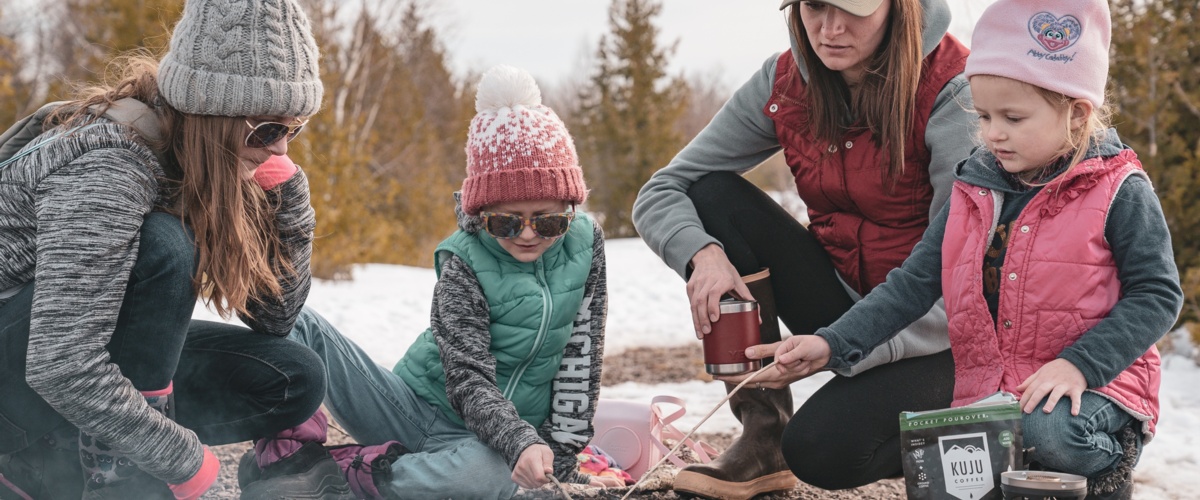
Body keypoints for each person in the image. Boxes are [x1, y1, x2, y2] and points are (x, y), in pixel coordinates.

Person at [774, 0, 1183, 498]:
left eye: (1012, 117)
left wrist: (1080, 364)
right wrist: (833, 343)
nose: (993, 134)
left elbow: (1157, 294)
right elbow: (915, 282)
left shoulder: (1119, 189)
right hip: (996, 387)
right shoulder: (975, 187)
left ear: (1076, 113)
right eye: (984, 115)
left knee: (1046, 430)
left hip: (1095, 383)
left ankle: (1108, 472)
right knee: (958, 465)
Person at [0, 0, 347, 498]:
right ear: (212, 115)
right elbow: (61, 363)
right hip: (30, 368)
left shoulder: (206, 158)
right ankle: (104, 477)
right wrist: (181, 461)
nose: (281, 148)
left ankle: (57, 459)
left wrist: (289, 198)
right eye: (269, 130)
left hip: (65, 355)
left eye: (293, 128)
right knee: (165, 245)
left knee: (293, 377)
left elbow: (275, 318)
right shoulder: (110, 164)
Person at [631, 0, 977, 497]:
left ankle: (986, 432)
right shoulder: (785, 82)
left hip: (936, 332)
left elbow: (953, 268)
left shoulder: (954, 89)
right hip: (843, 304)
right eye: (815, 6)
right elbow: (663, 190)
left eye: (852, 10)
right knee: (712, 195)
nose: (830, 28)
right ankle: (761, 441)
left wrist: (845, 344)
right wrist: (702, 255)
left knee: (821, 450)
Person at [240, 65, 616, 500]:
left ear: (570, 208)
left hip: (485, 448)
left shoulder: (587, 246)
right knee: (298, 319)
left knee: (489, 475)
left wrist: (560, 463)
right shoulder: (463, 257)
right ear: (480, 213)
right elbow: (467, 377)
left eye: (549, 220)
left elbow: (581, 358)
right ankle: (293, 463)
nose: (529, 233)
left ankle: (343, 477)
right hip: (412, 409)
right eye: (505, 221)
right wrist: (521, 442)